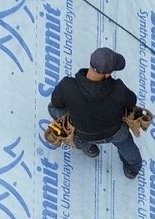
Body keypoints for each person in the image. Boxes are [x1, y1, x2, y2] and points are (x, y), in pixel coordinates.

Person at [48, 47, 144, 180]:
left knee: (52, 108)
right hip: (115, 132)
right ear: (108, 74)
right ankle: (133, 169)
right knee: (126, 144)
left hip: (83, 135)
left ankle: (89, 149)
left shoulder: (67, 86)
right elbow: (131, 102)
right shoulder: (118, 89)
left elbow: (56, 104)